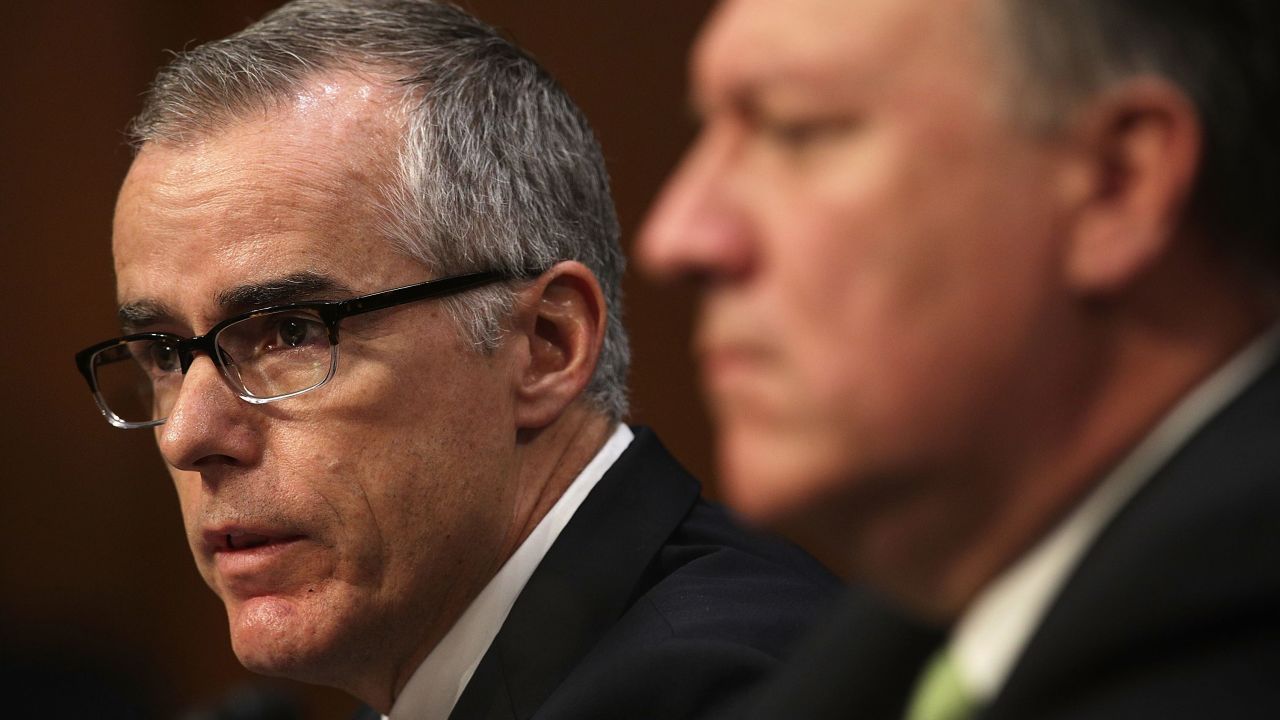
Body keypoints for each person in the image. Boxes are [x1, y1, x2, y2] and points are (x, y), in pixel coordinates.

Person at [72, 1, 838, 718]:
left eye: (288, 332)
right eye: (165, 353)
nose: (186, 436)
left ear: (546, 345)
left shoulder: (732, 691)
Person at [639, 0, 1280, 716]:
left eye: (797, 130)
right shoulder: (894, 649)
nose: (677, 237)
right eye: (707, 133)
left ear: (1115, 182)